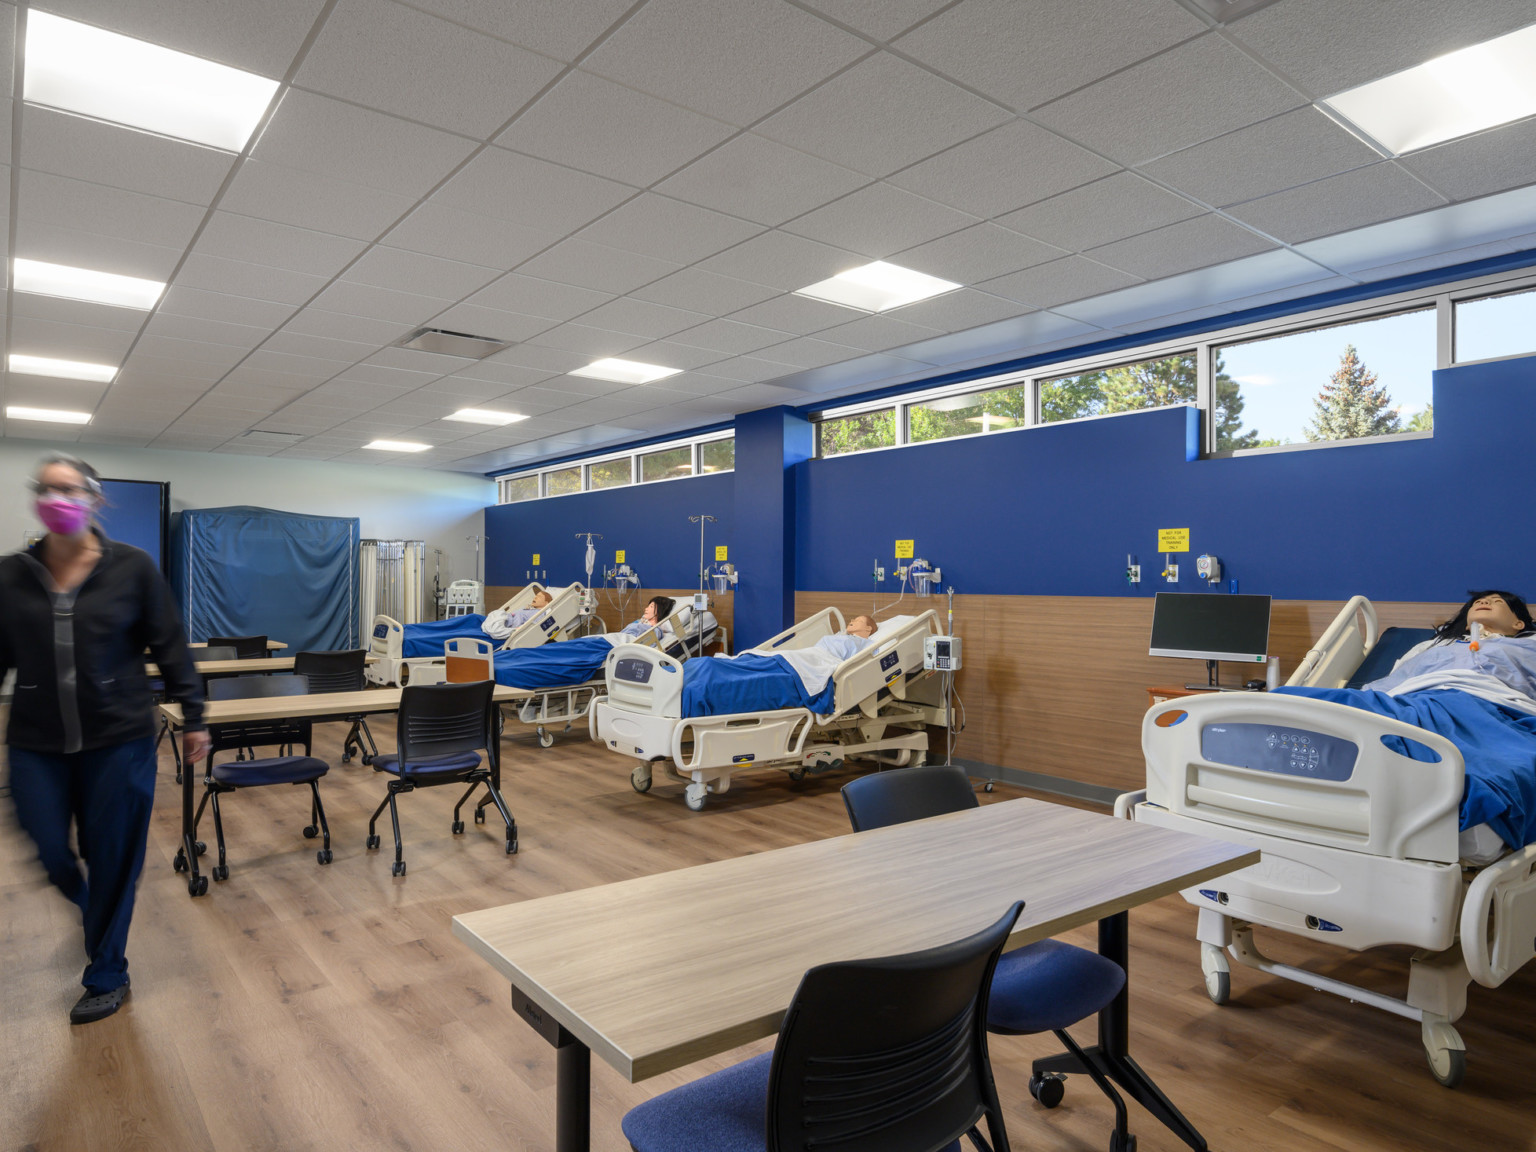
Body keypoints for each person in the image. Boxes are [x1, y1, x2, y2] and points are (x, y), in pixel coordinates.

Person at [0, 454, 209, 1024]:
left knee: (114, 855)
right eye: (47, 488)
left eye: (70, 489)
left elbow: (169, 642)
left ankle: (107, 970)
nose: (58, 498)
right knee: (47, 846)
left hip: (119, 739)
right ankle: (97, 912)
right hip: (37, 742)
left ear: (96, 498)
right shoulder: (10, 574)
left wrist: (194, 715)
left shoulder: (132, 567)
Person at [482, 588, 553, 640]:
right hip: (504, 618)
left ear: (546, 603)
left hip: (507, 624)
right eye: (536, 595)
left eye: (539, 597)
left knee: (474, 618)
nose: (535, 597)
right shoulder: (531, 609)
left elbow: (532, 628)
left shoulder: (539, 614)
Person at [813, 614, 878, 661]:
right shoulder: (844, 637)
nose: (852, 621)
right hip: (815, 653)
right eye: (853, 620)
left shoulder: (865, 644)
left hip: (822, 659)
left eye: (858, 621)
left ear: (868, 628)